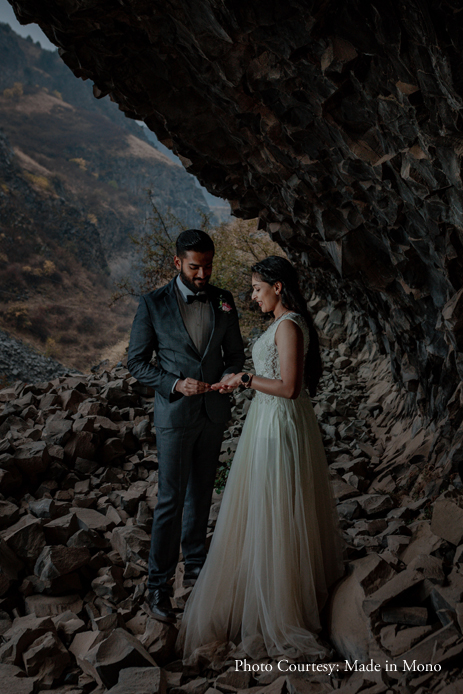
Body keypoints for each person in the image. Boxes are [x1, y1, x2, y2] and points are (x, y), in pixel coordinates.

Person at [177, 255, 344, 660]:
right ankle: (267, 589)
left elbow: (289, 387)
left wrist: (247, 379)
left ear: (278, 287)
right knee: (264, 506)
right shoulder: (278, 325)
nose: (252, 297)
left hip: (280, 423)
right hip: (265, 420)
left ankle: (283, 606)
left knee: (277, 506)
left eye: (256, 288)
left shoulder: (289, 326)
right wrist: (238, 379)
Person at [127, 229, 245, 624]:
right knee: (170, 502)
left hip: (213, 412)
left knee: (202, 493)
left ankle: (196, 565)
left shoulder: (224, 300)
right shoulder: (152, 303)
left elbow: (235, 355)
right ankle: (157, 587)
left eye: (208, 266)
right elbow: (138, 363)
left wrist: (230, 375)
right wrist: (176, 383)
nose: (203, 274)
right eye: (195, 266)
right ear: (177, 263)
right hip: (175, 416)